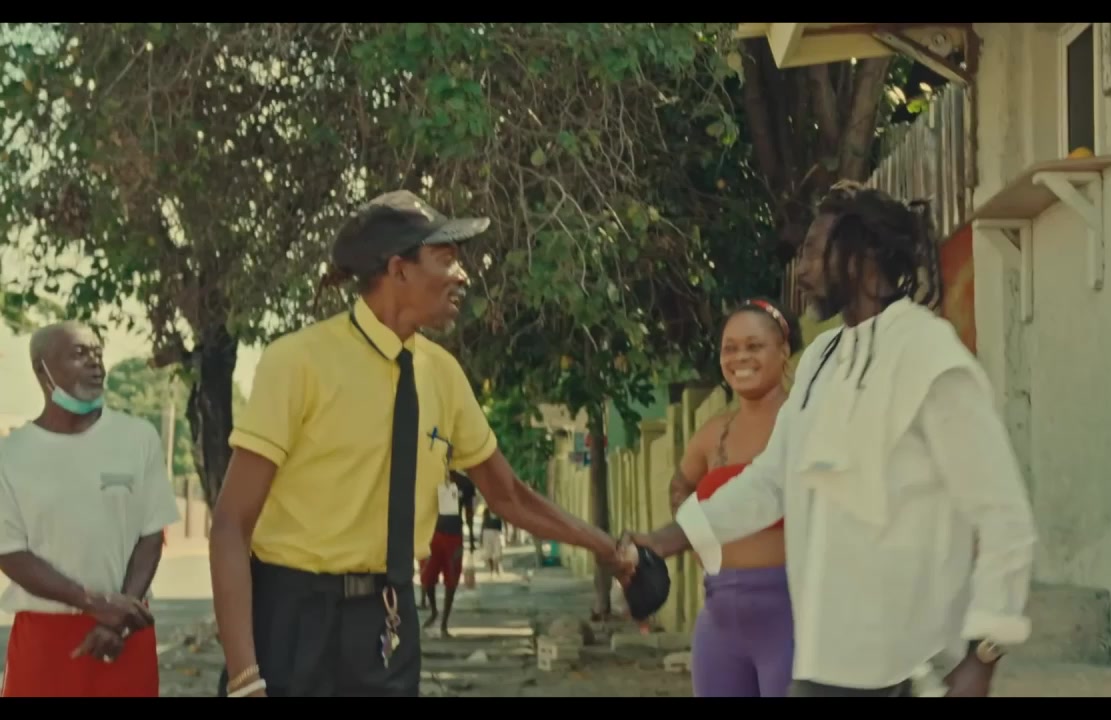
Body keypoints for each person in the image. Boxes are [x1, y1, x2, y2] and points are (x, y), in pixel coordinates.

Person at [209, 190, 633, 698]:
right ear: (399, 270)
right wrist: (245, 678)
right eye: (447, 259)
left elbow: (508, 495)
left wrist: (608, 548)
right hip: (293, 619)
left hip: (387, 623)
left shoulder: (442, 375)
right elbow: (231, 523)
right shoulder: (298, 363)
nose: (463, 276)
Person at [624, 182, 1037, 698]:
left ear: (861, 258)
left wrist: (984, 656)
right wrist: (666, 540)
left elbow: (1004, 516)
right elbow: (771, 481)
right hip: (823, 664)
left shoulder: (930, 355)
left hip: (910, 671)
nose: (802, 271)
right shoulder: (821, 359)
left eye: (815, 252)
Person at [0, 322, 180, 697]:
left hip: (125, 634)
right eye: (80, 354)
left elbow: (151, 537)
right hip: (45, 641)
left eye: (98, 353)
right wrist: (94, 603)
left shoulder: (138, 438)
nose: (96, 363)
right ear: (42, 369)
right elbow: (10, 553)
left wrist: (116, 620)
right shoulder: (11, 456)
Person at [666, 298, 802, 697]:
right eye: (730, 348)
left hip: (792, 617)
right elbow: (680, 485)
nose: (740, 357)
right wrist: (698, 540)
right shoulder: (714, 432)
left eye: (754, 346)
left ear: (784, 351)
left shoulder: (804, 421)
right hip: (719, 618)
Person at [418, 471, 475, 636]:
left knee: (451, 580)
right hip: (432, 535)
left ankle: (444, 624)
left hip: (454, 536)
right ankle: (434, 611)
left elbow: (469, 512)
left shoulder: (466, 483)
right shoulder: (431, 477)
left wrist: (471, 539)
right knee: (427, 578)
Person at [480, 506, 504, 576]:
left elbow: (502, 521)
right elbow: (483, 522)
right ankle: (492, 569)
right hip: (487, 531)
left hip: (497, 532)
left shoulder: (499, 510)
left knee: (498, 551)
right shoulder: (486, 510)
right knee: (488, 552)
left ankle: (497, 567)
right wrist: (481, 536)